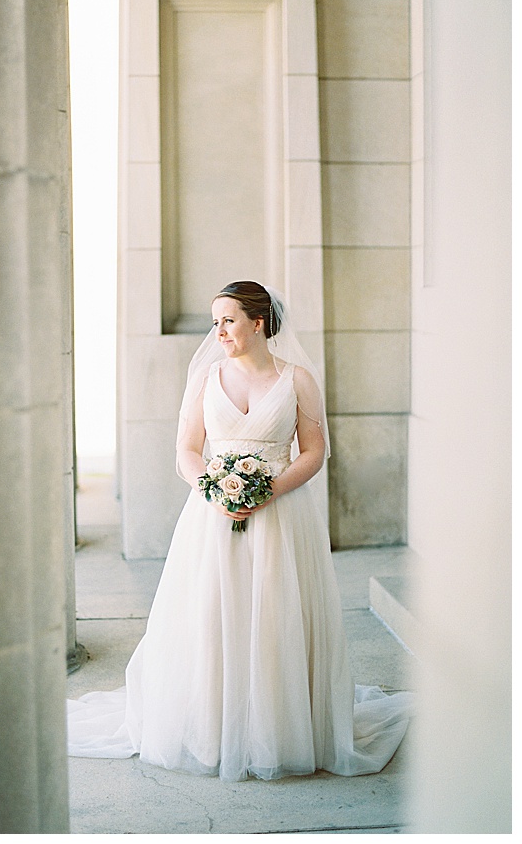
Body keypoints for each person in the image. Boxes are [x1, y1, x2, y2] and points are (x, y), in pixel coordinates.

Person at [67, 281, 412, 780]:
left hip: (282, 516)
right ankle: (214, 723)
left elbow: (314, 452)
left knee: (275, 613)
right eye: (215, 322)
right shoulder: (206, 378)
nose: (219, 331)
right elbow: (186, 449)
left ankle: (279, 727)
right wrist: (213, 490)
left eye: (228, 320)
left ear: (258, 321)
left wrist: (268, 490)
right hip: (211, 516)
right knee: (211, 613)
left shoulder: (297, 380)